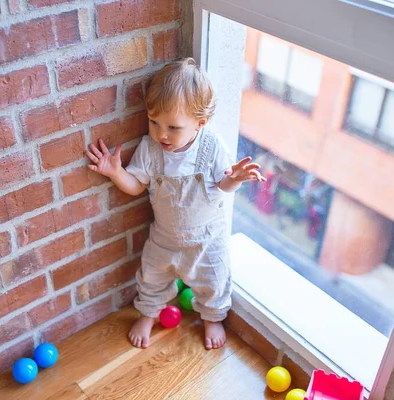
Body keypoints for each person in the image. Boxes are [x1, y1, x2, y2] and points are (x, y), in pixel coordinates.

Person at [85, 58, 265, 350]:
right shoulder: (150, 148)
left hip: (207, 238)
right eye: (153, 122)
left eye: (173, 127)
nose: (162, 134)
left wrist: (237, 179)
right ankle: (148, 313)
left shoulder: (212, 147)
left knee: (214, 279)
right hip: (165, 237)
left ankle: (212, 318)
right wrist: (116, 172)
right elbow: (136, 185)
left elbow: (223, 185)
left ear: (200, 123)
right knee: (151, 275)